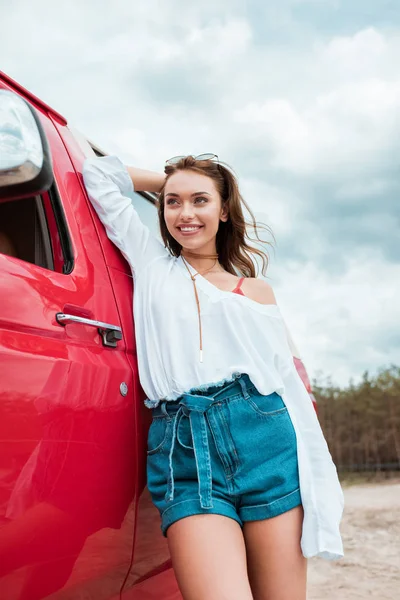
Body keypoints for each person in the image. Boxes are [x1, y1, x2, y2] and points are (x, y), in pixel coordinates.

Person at [82, 153, 344, 600]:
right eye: (172, 202)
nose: (185, 213)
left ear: (223, 210)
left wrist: (316, 475)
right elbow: (98, 175)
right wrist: (170, 176)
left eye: (200, 200)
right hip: (183, 446)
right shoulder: (151, 265)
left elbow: (287, 387)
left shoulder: (256, 291)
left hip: (266, 442)